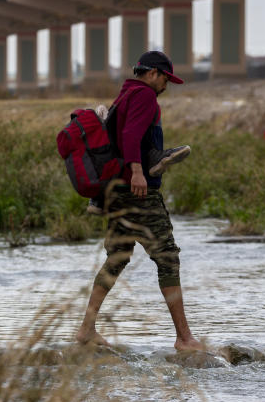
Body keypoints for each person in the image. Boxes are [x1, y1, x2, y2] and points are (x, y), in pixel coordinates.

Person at [76, 51, 204, 352]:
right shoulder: (145, 96)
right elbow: (132, 135)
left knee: (118, 256)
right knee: (167, 256)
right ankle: (185, 339)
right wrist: (137, 172)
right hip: (137, 190)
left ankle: (86, 330)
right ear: (154, 74)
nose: (165, 86)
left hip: (115, 189)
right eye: (166, 79)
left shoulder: (124, 95)